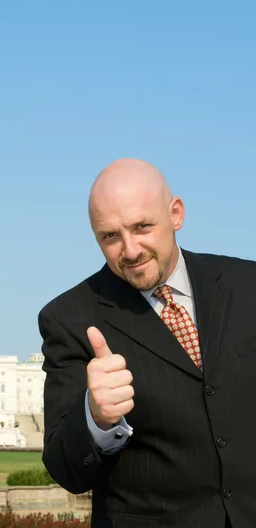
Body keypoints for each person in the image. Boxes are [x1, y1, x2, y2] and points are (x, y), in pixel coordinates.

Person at [38, 158, 256, 528]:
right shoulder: (69, 318)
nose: (131, 250)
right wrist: (95, 417)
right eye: (110, 236)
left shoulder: (246, 286)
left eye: (142, 227)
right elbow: (67, 471)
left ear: (176, 214)